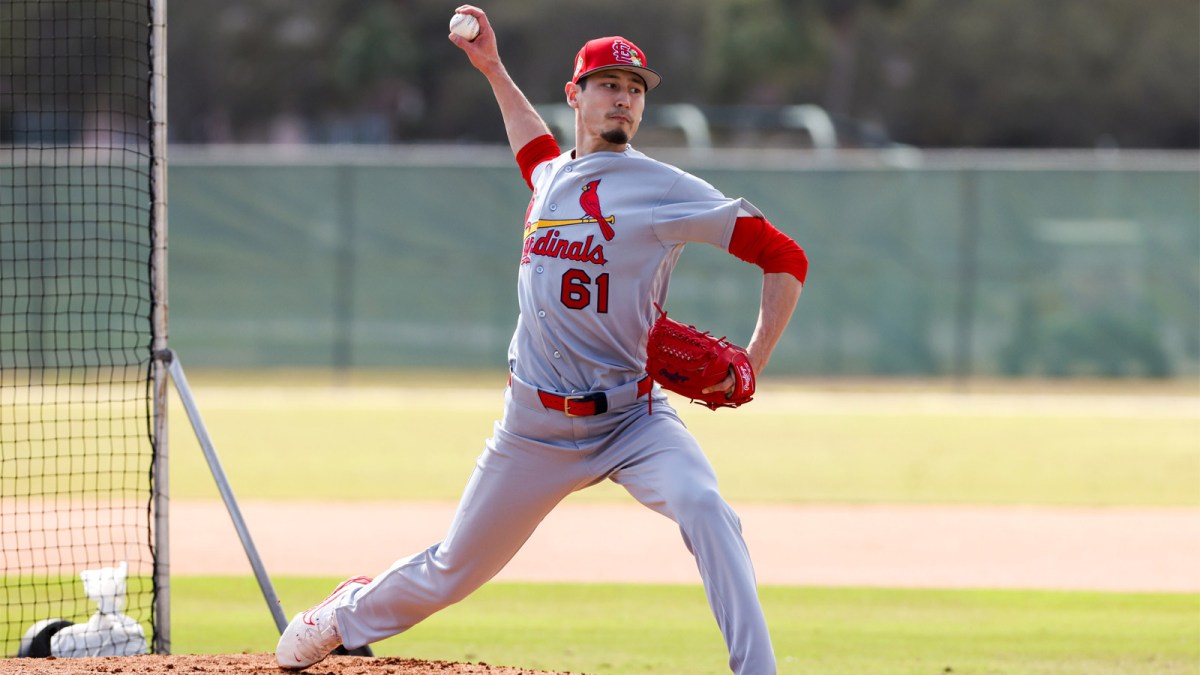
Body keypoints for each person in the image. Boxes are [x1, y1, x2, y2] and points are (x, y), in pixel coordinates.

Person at [276, 6, 808, 674]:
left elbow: (785, 255)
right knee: (452, 570)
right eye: (609, 83)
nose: (624, 96)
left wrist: (754, 363)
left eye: (636, 87)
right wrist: (492, 67)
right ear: (575, 96)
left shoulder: (662, 188)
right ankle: (341, 616)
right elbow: (533, 150)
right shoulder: (552, 177)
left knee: (706, 507)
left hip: (631, 419)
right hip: (534, 426)